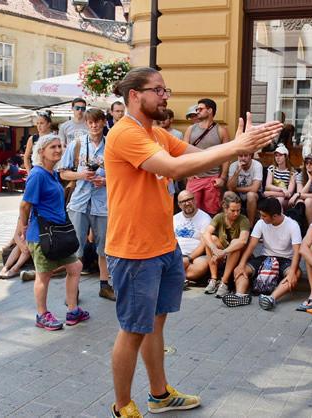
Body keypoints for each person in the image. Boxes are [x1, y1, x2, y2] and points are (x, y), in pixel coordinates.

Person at [104, 67, 282, 416]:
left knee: (155, 323)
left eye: (165, 89)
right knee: (132, 330)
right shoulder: (125, 133)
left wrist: (237, 147)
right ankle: (122, 407)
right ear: (135, 95)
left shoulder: (155, 132)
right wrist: (234, 145)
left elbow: (196, 162)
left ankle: (159, 395)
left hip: (163, 245)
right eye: (158, 90)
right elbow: (173, 169)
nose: (166, 96)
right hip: (134, 250)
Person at [16, 134, 88, 331]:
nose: (58, 150)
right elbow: (24, 206)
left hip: (58, 233)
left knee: (75, 267)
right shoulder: (38, 175)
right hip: (42, 235)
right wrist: (23, 228)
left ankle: (73, 310)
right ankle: (42, 314)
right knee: (44, 275)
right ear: (41, 152)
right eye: (53, 147)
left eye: (59, 146)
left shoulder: (52, 173)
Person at [60, 108, 114, 301]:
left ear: (103, 123)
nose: (93, 125)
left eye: (97, 122)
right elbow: (63, 173)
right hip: (79, 202)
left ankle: (104, 285)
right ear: (86, 124)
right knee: (76, 248)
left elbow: (123, 175)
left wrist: (105, 180)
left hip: (103, 203)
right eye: (90, 122)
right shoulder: (76, 145)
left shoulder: (112, 145)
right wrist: (81, 175)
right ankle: (73, 290)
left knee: (105, 248)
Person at [227, 197, 302, 310]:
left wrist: (292, 272)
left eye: (264, 216)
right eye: (260, 215)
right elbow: (252, 245)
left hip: (285, 259)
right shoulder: (261, 223)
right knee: (242, 269)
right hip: (265, 257)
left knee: (296, 274)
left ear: (275, 216)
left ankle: (271, 298)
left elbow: (297, 252)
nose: (261, 218)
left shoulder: (292, 225)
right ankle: (240, 295)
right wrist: (241, 264)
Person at [184, 98, 230, 216]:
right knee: (190, 210)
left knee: (211, 212)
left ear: (209, 110)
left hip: (213, 179)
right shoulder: (191, 129)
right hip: (195, 178)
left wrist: (223, 178)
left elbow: (226, 156)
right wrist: (187, 173)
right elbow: (183, 152)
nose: (197, 111)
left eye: (200, 109)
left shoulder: (221, 131)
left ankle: (209, 234)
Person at [202, 192, 250, 297]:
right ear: (225, 209)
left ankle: (224, 281)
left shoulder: (244, 220)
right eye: (233, 211)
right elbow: (206, 234)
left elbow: (243, 241)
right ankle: (214, 279)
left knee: (236, 243)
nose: (236, 213)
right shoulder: (219, 217)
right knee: (212, 239)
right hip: (222, 253)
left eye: (238, 210)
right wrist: (214, 249)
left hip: (235, 254)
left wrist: (223, 252)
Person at [173, 190, 212, 283]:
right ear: (179, 205)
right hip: (177, 254)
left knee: (200, 267)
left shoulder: (205, 218)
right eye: (183, 201)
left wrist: (189, 258)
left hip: (197, 256)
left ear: (195, 200)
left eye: (189, 200)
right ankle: (180, 278)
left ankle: (174, 277)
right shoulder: (174, 219)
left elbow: (204, 244)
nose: (187, 203)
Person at [227, 152, 263, 226]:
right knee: (227, 194)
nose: (243, 158)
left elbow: (255, 188)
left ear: (250, 156)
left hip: (256, 195)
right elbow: (230, 187)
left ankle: (250, 227)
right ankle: (229, 225)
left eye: (245, 155)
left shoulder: (257, 165)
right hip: (239, 195)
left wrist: (235, 189)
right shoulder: (233, 166)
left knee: (251, 195)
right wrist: (237, 171)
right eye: (240, 155)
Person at [288, 153, 312, 225]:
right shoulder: (301, 175)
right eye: (306, 163)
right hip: (304, 201)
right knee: (300, 201)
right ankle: (298, 226)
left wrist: (297, 195)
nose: (308, 165)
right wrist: (310, 180)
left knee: (308, 201)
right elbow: (300, 192)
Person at [263, 144, 296, 211]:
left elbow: (288, 194)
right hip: (273, 197)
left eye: (280, 155)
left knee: (278, 201)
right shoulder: (271, 169)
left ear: (286, 156)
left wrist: (270, 193)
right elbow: (268, 186)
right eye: (276, 155)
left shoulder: (292, 172)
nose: (278, 158)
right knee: (271, 201)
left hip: (285, 200)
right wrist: (281, 190)